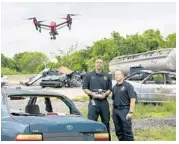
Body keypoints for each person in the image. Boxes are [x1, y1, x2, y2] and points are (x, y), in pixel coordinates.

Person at [82, 58, 112, 141]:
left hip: (104, 103)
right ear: (95, 64)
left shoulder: (107, 76)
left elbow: (110, 89)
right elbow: (85, 88)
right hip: (93, 102)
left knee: (106, 122)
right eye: (97, 62)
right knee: (91, 123)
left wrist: (105, 94)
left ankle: (107, 140)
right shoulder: (88, 75)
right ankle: (91, 140)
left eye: (100, 63)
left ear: (103, 64)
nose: (99, 64)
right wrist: (92, 94)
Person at [112, 70, 136, 141]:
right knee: (118, 131)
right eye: (115, 75)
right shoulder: (114, 87)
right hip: (116, 111)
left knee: (127, 131)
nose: (116, 76)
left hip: (124, 110)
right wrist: (113, 112)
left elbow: (132, 99)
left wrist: (131, 112)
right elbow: (114, 100)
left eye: (118, 74)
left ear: (122, 76)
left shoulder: (128, 86)